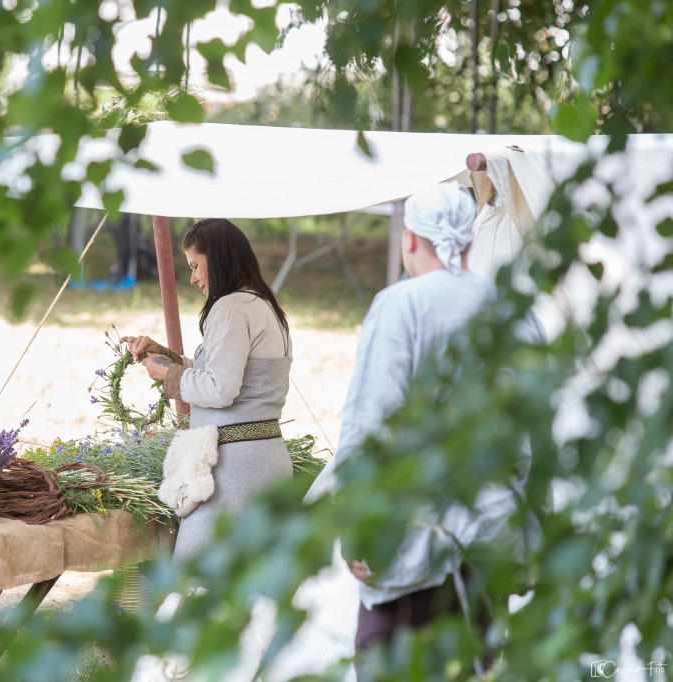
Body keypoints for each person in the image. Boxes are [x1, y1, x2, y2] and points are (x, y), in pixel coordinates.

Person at [303, 182, 544, 668]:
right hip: (491, 536)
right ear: (469, 242)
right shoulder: (512, 307)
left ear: (409, 240)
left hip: (412, 540)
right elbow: (539, 432)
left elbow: (370, 426)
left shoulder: (400, 305)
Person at [122, 218, 293, 559]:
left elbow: (220, 388)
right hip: (265, 460)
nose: (194, 278)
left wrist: (169, 375)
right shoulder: (262, 305)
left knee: (196, 580)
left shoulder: (231, 307)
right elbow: (229, 374)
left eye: (196, 265)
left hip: (236, 474)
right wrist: (168, 358)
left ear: (218, 258)